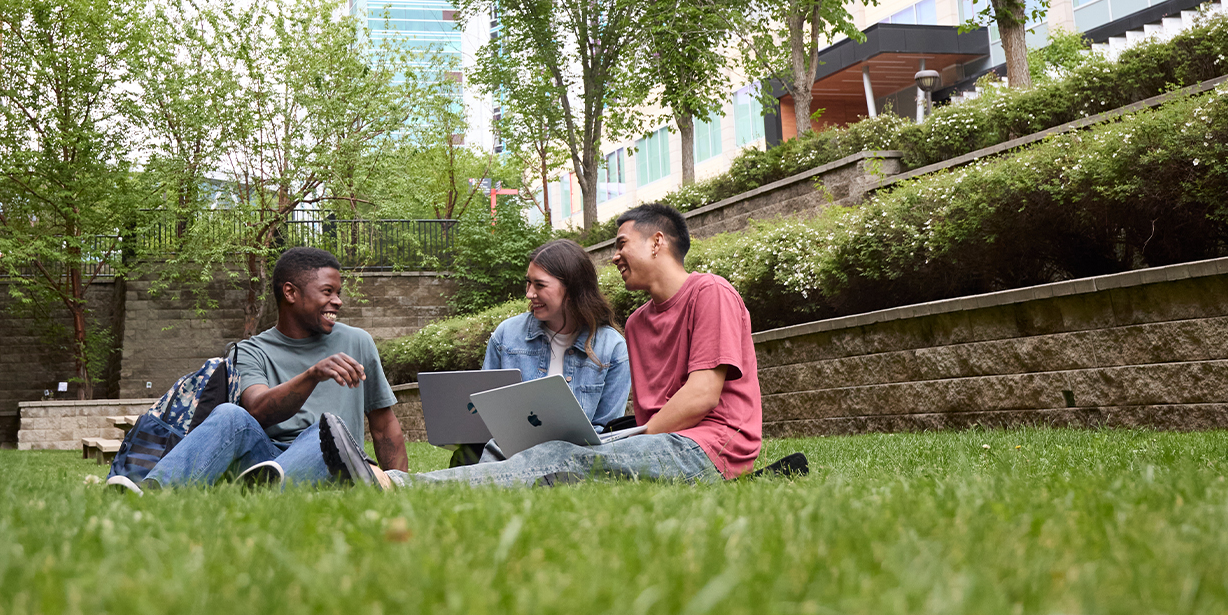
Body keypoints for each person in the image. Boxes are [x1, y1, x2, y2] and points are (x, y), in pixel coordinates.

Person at [320, 203, 761, 489]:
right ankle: (402, 482)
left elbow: (702, 394)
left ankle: (393, 485)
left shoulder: (710, 293)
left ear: (658, 242)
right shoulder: (640, 322)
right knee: (522, 455)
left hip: (707, 448)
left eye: (622, 243)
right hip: (654, 441)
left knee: (558, 456)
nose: (614, 254)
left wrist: (619, 444)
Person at [107, 247, 408, 493]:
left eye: (338, 292)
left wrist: (398, 482)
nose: (338, 301)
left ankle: (269, 490)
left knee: (325, 430)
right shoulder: (251, 350)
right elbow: (257, 410)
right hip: (262, 460)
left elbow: (383, 425)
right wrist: (313, 374)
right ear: (290, 293)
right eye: (328, 291)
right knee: (229, 414)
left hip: (332, 461)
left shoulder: (357, 342)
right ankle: (153, 493)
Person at [458, 238, 630, 465]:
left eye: (539, 285)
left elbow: (605, 432)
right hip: (505, 452)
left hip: (575, 459)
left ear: (572, 289)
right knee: (464, 457)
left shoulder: (612, 348)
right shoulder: (507, 335)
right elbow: (485, 411)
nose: (529, 294)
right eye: (528, 283)